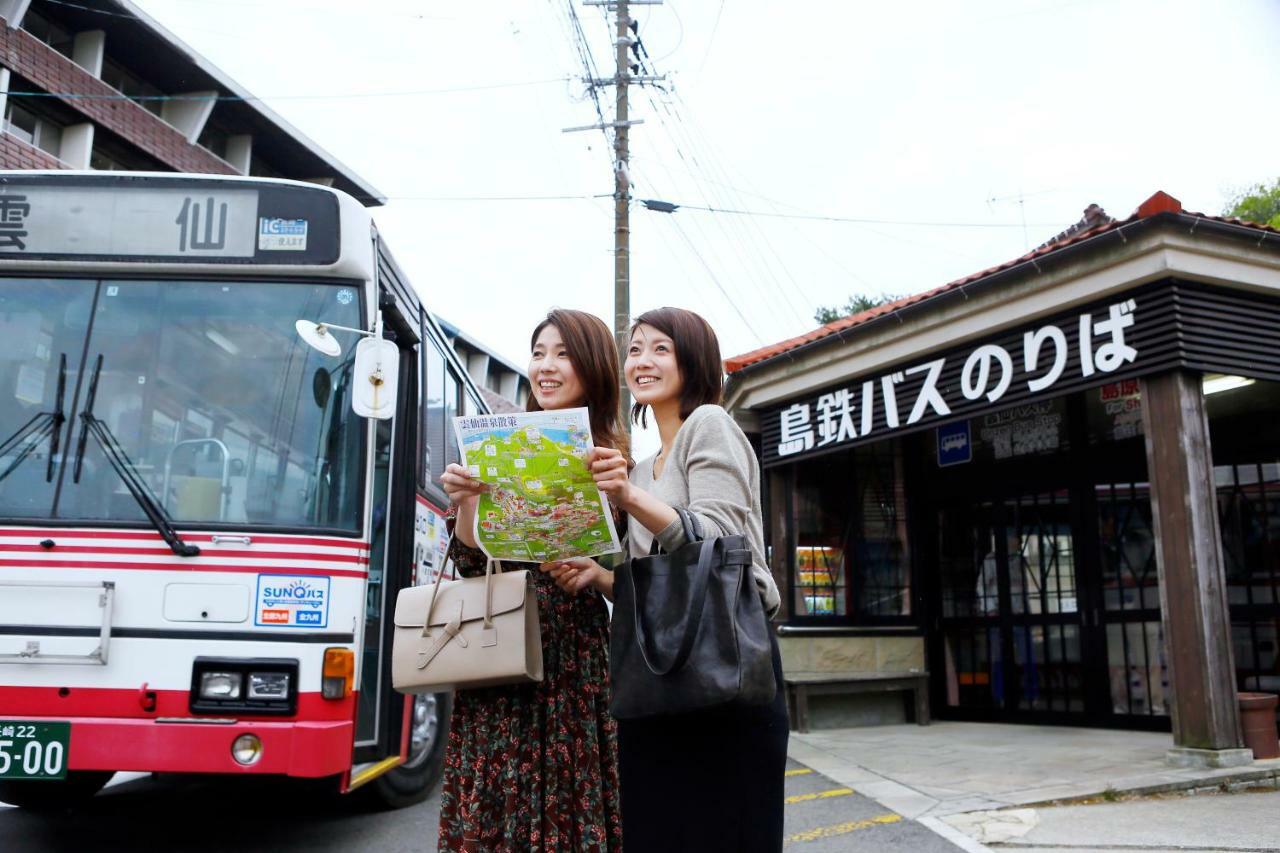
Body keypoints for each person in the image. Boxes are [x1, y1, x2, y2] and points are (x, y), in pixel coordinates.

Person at [545, 306, 788, 853]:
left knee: (730, 829)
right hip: (656, 672)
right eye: (634, 349)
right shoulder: (638, 467)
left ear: (693, 359)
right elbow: (657, 585)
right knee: (658, 827)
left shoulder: (711, 425)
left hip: (728, 667)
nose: (642, 361)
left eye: (660, 348)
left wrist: (630, 500)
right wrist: (598, 577)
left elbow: (720, 543)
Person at [437, 309, 628, 852]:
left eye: (563, 354)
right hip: (498, 647)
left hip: (572, 658)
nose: (546, 366)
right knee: (498, 800)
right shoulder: (495, 445)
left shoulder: (611, 459)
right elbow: (472, 560)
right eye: (539, 352)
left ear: (591, 369)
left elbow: (627, 569)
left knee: (569, 802)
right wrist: (468, 502)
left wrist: (594, 573)